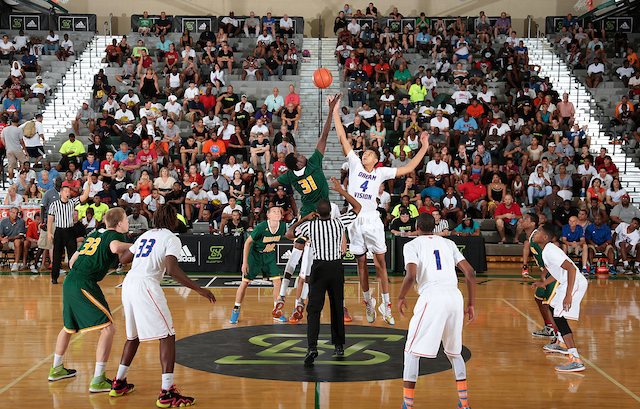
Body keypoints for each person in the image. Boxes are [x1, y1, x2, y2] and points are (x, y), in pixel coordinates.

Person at [335, 93, 430, 325]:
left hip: (372, 220)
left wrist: (424, 147)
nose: (363, 154)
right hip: (355, 220)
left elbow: (408, 167)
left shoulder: (381, 171)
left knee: (380, 264)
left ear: (375, 160)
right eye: (363, 152)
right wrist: (335, 110)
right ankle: (369, 302)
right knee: (360, 264)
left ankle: (386, 304)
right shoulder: (355, 165)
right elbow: (341, 136)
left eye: (368, 153)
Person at [110, 205, 215, 405]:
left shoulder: (146, 235)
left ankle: (119, 382)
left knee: (133, 337)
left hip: (129, 283)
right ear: (172, 220)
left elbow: (123, 259)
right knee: (167, 335)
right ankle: (167, 392)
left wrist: (133, 246)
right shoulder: (171, 238)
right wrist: (199, 289)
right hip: (146, 285)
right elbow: (172, 270)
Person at [267, 95, 342, 322]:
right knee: (309, 260)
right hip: (322, 214)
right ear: (300, 163)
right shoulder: (314, 162)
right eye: (299, 156)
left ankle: (282, 297)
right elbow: (325, 134)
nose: (302, 155)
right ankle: (300, 302)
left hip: (306, 215)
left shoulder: (289, 174)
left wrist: (271, 171)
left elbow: (271, 183)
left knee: (298, 251)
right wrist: (330, 111)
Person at [47, 208, 131, 393]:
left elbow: (72, 261)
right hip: (84, 283)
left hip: (70, 280)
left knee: (68, 327)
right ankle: (98, 379)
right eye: (126, 220)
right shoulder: (114, 236)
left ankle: (57, 368)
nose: (127, 223)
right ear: (118, 224)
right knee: (108, 328)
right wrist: (136, 245)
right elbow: (116, 248)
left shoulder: (95, 233)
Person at [398, 213, 476, 409]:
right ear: (435, 226)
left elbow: (411, 276)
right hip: (455, 295)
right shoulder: (448, 243)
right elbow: (470, 273)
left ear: (416, 226)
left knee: (411, 351)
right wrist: (471, 304)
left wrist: (400, 297)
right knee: (455, 352)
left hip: (432, 296)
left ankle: (408, 405)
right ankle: (464, 403)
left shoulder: (412, 245)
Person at [285, 179, 360, 364]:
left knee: (313, 309)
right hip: (335, 267)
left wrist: (304, 218)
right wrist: (341, 190)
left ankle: (312, 348)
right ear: (331, 211)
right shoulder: (339, 222)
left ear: (317, 212)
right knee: (336, 307)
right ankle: (339, 346)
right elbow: (358, 207)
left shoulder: (310, 226)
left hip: (318, 268)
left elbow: (288, 233)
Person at [532, 224, 588, 372]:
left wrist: (568, 295)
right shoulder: (546, 250)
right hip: (566, 283)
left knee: (559, 316)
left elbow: (570, 267)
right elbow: (556, 271)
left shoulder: (550, 251)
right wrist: (544, 283)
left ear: (545, 237)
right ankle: (562, 343)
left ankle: (575, 359)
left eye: (537, 232)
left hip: (574, 283)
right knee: (552, 307)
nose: (535, 234)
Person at [230, 206, 286, 324]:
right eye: (274, 211)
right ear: (268, 215)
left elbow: (290, 235)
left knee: (278, 282)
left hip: (269, 256)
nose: (277, 213)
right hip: (255, 257)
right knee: (245, 282)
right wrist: (245, 262)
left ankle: (277, 311)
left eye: (279, 211)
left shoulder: (283, 226)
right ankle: (236, 309)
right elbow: (247, 243)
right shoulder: (261, 227)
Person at [47, 184, 91, 284]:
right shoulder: (54, 204)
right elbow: (50, 220)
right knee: (57, 255)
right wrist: (49, 233)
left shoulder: (72, 202)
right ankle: (54, 277)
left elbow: (84, 196)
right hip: (59, 231)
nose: (68, 193)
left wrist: (88, 184)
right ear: (61, 193)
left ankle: (73, 275)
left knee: (73, 254)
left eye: (69, 192)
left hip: (70, 231)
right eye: (66, 191)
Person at [0, 206, 26, 272]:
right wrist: (2, 239)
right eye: (13, 213)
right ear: (9, 213)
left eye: (17, 213)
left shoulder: (21, 221)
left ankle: (16, 264)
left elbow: (20, 235)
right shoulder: (3, 221)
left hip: (16, 242)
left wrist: (9, 239)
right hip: (6, 242)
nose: (15, 215)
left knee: (17, 241)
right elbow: (0, 234)